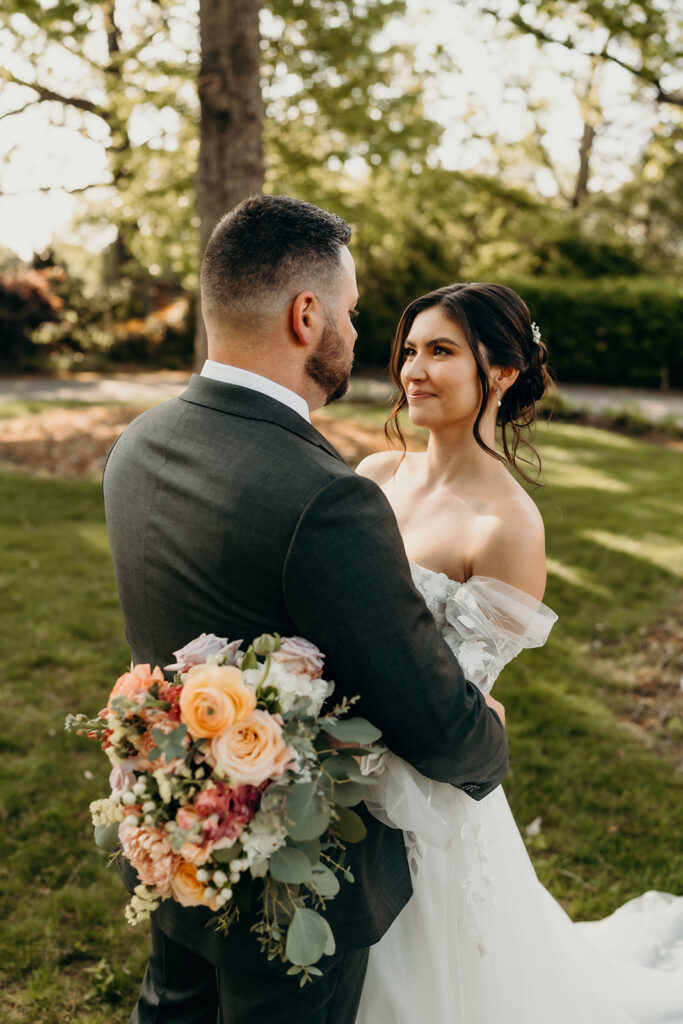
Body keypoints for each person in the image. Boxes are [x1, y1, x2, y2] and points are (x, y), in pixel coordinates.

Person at [102, 198, 509, 1024]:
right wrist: (489, 738)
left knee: (171, 1008)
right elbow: (426, 713)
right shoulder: (326, 496)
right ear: (305, 315)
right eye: (354, 314)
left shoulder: (137, 445)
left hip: (177, 838)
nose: (360, 338)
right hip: (292, 890)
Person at [354, 282, 683, 1023]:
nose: (413, 370)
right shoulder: (373, 478)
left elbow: (453, 702)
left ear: (499, 373)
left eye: (440, 351)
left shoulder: (506, 526)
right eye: (409, 350)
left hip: (420, 798)